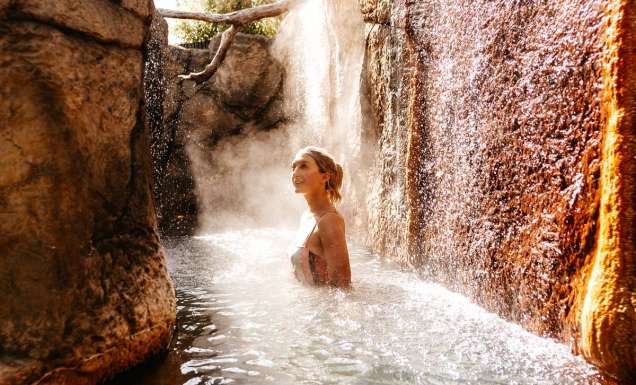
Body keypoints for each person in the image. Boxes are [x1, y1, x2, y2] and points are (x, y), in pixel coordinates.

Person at [289, 146, 351, 288]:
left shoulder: (329, 221)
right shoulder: (306, 216)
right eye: (293, 167)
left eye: (303, 166)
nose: (295, 172)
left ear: (324, 176)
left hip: (321, 310)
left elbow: (342, 288)